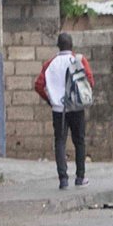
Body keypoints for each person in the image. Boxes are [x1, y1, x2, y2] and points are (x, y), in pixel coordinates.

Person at [35, 32, 93, 189]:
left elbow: (38, 85)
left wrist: (50, 100)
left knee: (60, 141)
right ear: (71, 45)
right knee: (79, 141)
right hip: (76, 107)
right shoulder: (79, 61)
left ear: (58, 46)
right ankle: (80, 177)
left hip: (58, 109)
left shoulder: (49, 64)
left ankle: (63, 179)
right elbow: (90, 81)